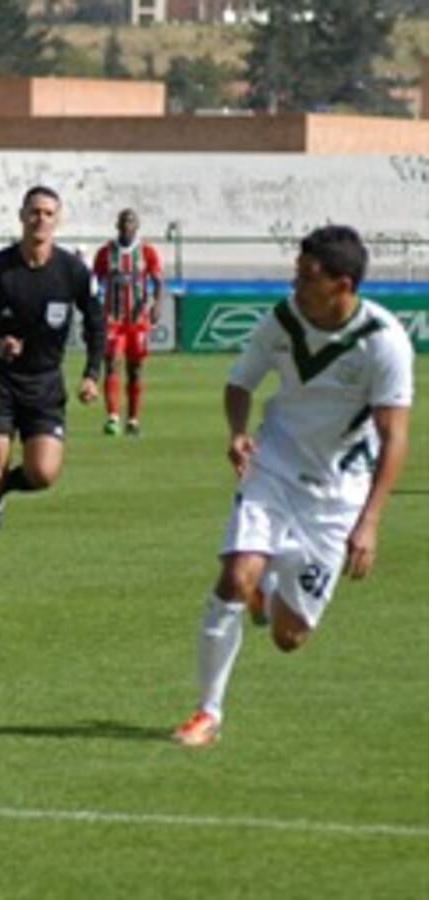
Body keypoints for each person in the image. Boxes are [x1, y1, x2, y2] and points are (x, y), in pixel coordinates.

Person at [172, 225, 414, 748]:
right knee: (234, 576)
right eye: (297, 273)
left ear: (342, 284)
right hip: (274, 465)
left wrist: (370, 522)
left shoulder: (384, 341)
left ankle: (271, 592)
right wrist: (238, 432)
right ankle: (206, 712)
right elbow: (240, 383)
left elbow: (395, 436)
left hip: (337, 493)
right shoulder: (282, 319)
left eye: (307, 277)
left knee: (289, 638)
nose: (295, 284)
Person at [0, 185, 105, 584]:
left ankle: (0, 496)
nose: (41, 219)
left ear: (58, 220)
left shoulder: (72, 271)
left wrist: (92, 373)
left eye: (48, 213)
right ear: (22, 217)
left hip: (44, 384)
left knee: (42, 474)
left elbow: (96, 323)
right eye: (34, 212)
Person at [92, 208, 163, 437]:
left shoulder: (146, 251)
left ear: (137, 226)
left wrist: (157, 304)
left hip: (137, 319)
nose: (127, 226)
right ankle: (112, 417)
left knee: (136, 369)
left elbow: (158, 280)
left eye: (131, 222)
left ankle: (132, 420)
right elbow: (94, 282)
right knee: (111, 362)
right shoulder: (105, 252)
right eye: (123, 222)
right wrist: (94, 307)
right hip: (113, 318)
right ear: (117, 225)